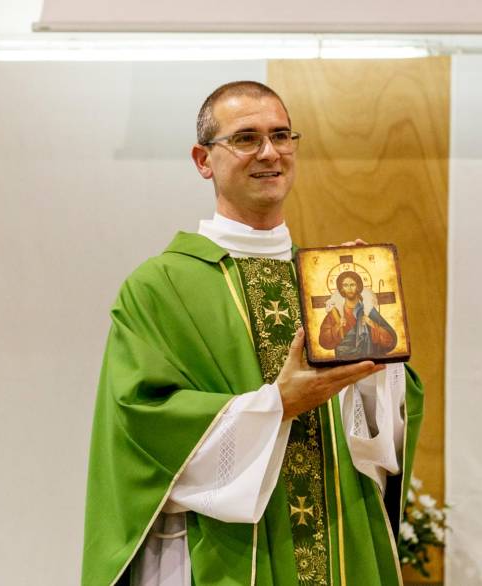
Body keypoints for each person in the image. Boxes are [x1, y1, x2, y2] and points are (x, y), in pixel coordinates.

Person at [82, 81, 424, 586]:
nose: (270, 152)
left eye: (282, 136)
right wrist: (277, 405)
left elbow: (384, 441)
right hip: (226, 553)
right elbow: (142, 425)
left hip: (344, 542)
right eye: (246, 138)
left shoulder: (321, 279)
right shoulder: (161, 287)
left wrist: (375, 360)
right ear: (204, 160)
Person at [319, 271, 398, 359]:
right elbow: (323, 341)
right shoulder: (336, 313)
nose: (349, 288)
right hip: (344, 363)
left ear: (358, 286)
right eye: (345, 285)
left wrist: (372, 324)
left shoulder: (368, 310)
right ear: (341, 289)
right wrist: (337, 326)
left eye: (352, 285)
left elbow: (390, 341)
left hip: (369, 361)